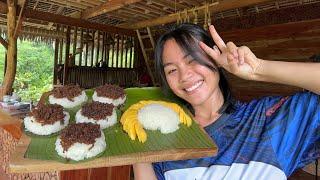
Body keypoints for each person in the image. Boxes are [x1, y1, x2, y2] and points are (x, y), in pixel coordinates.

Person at [133, 23, 320, 180]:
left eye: (192, 60)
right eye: (172, 70)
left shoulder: (266, 121)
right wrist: (133, 144)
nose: (185, 75)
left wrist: (258, 69)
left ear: (215, 59)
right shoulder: (164, 137)